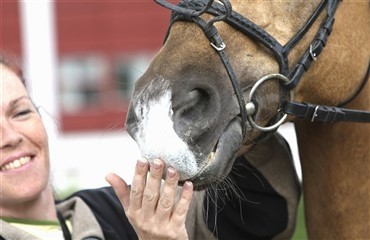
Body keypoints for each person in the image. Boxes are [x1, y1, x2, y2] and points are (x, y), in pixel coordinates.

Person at [0, 51, 301, 240]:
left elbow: (258, 224)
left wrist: (235, 121)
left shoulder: (120, 212)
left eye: (21, 112)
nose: (11, 136)